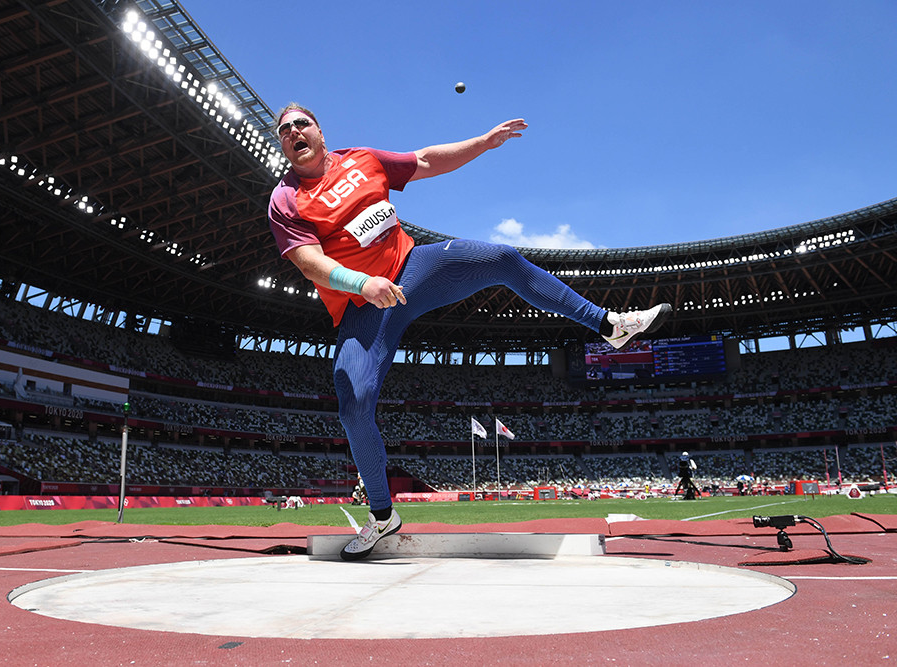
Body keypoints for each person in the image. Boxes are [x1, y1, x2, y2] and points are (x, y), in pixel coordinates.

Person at [267, 103, 672, 560]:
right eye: (284, 130)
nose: (294, 132)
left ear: (320, 130)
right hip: (365, 304)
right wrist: (363, 283)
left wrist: (482, 142)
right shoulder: (285, 199)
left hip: (413, 269)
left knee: (501, 258)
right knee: (354, 405)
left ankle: (609, 324)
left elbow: (424, 161)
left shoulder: (362, 159)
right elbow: (309, 262)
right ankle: (382, 517)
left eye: (301, 123)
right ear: (283, 144)